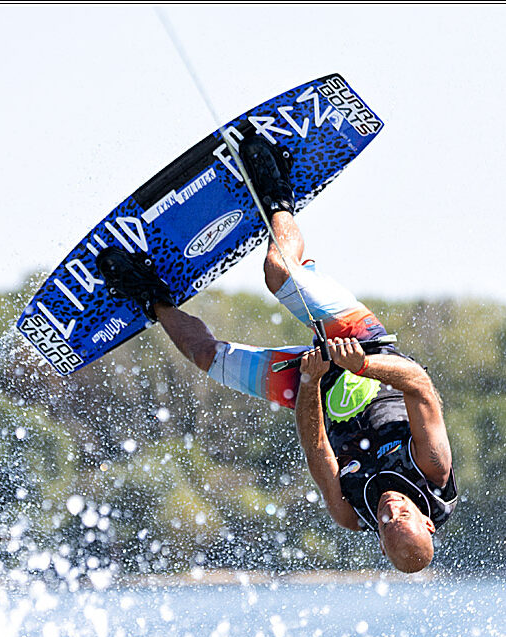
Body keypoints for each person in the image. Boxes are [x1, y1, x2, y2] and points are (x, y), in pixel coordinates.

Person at [96, 134, 458, 573]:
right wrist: (358, 363)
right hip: (364, 345)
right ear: (428, 522)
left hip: (312, 384)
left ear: (380, 543)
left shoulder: (351, 513)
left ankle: (150, 295)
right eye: (402, 515)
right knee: (278, 272)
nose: (390, 510)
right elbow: (419, 384)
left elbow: (316, 450)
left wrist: (310, 380)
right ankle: (276, 190)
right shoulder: (432, 469)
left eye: (386, 524)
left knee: (206, 356)